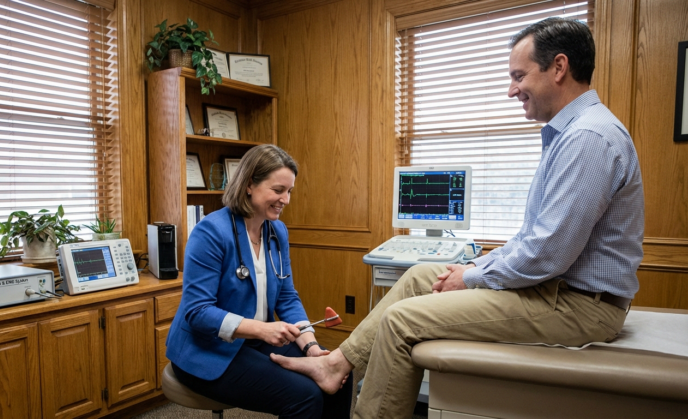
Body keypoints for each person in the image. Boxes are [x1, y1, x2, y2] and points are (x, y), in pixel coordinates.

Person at [271, 17, 644, 419]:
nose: (511, 89)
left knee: (400, 320)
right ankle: (335, 365)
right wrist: (472, 267)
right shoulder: (571, 135)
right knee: (419, 276)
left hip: (580, 306)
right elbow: (531, 239)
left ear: (558, 67)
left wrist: (471, 277)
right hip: (555, 290)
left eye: (519, 76)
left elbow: (546, 253)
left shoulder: (588, 138)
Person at [165, 144, 353, 418]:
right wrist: (262, 329)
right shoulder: (211, 232)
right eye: (278, 190)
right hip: (205, 348)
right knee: (304, 396)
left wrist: (310, 346)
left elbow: (287, 297)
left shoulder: (277, 231)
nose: (285, 199)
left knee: (338, 375)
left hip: (252, 341)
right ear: (249, 185)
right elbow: (198, 312)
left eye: (289, 191)